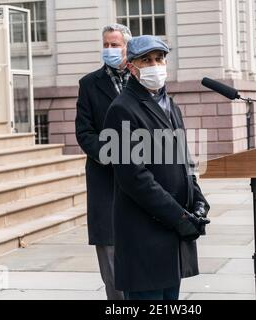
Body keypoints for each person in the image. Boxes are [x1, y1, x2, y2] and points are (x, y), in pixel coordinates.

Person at [103, 35, 211, 300]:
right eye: (146, 60)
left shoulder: (170, 105)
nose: (155, 65)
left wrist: (198, 200)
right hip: (144, 234)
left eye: (160, 58)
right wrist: (179, 217)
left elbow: (185, 160)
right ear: (131, 67)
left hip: (171, 235)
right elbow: (135, 178)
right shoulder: (122, 109)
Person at [75, 23, 132, 300]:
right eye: (106, 45)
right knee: (111, 261)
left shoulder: (144, 79)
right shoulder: (88, 84)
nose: (109, 50)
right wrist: (113, 155)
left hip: (143, 179)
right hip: (105, 181)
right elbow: (84, 132)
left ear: (127, 48)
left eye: (115, 45)